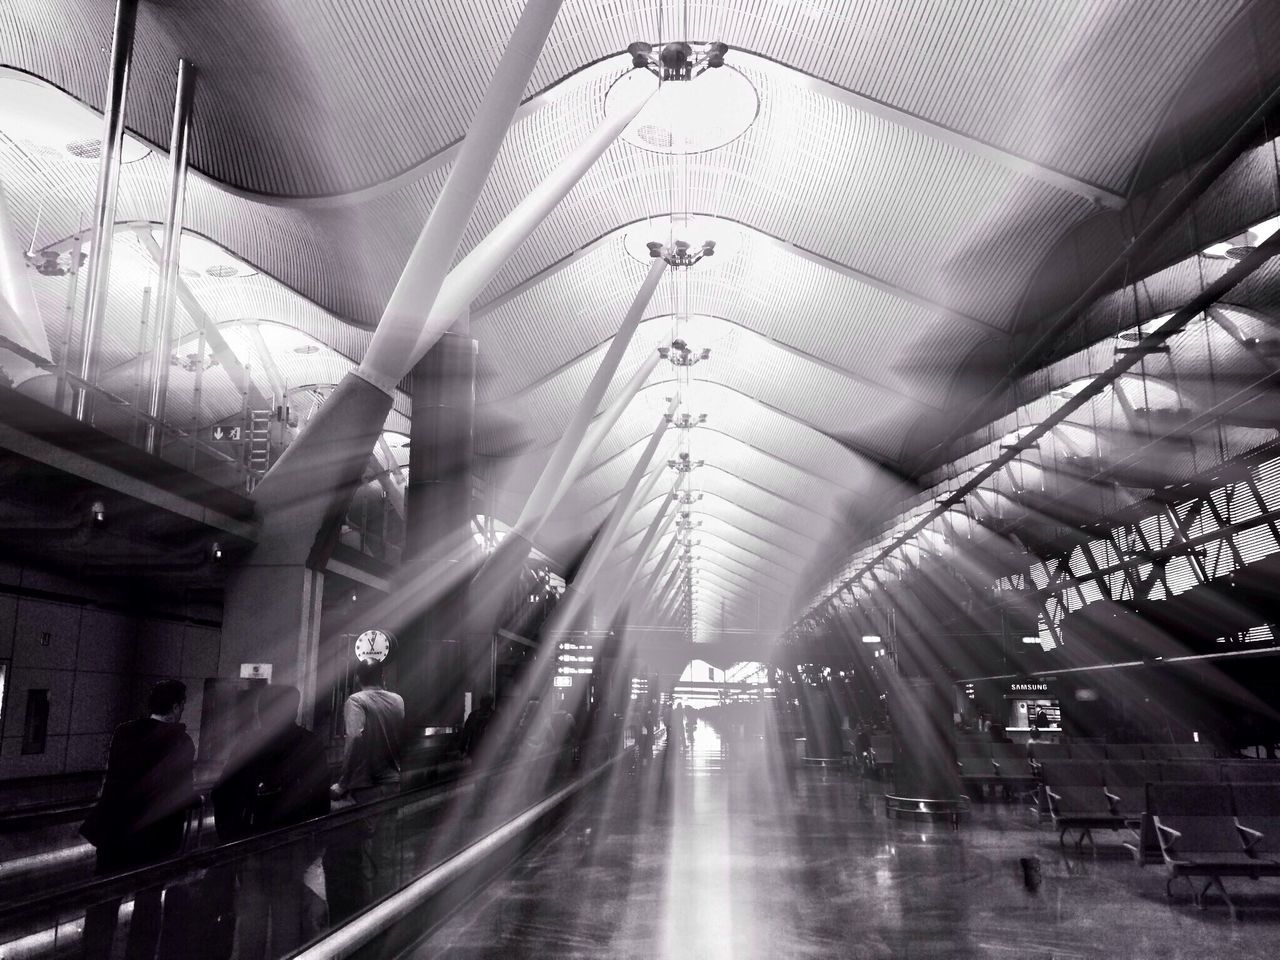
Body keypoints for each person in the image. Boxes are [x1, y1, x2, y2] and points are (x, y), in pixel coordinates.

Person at [80, 679, 197, 960]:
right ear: (176, 706)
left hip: (115, 832)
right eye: (182, 704)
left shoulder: (124, 732)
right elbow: (181, 789)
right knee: (148, 903)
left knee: (104, 903)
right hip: (155, 837)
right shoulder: (180, 741)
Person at [213, 685, 330, 960]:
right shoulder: (309, 743)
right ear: (295, 709)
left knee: (251, 916)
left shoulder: (247, 744)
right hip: (293, 845)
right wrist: (313, 843)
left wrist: (232, 838)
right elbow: (320, 799)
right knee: (287, 916)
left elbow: (222, 794)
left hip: (252, 844)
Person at [329, 659, 404, 916]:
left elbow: (354, 739)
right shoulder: (397, 701)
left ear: (358, 678)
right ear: (382, 674)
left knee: (365, 854)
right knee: (387, 852)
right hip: (392, 782)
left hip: (365, 785)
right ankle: (387, 911)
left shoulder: (356, 701)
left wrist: (343, 781)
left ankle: (367, 915)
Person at [460, 694, 496, 760]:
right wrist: (462, 748)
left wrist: (462, 748)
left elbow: (465, 733)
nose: (485, 705)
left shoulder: (494, 716)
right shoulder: (473, 715)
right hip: (478, 749)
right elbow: (466, 733)